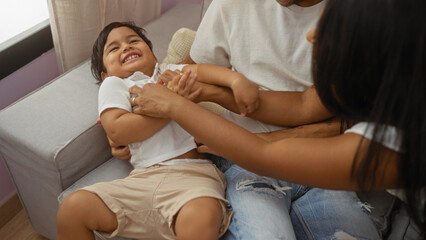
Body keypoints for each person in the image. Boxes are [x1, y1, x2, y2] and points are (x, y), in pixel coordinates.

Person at [128, 0, 426, 238]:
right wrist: (215, 91)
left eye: (331, 29)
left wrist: (176, 108)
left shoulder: (396, 147)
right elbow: (303, 104)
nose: (311, 36)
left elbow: (264, 153)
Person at [56, 21, 270, 240]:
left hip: (195, 175)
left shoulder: (172, 73)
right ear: (105, 75)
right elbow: (119, 131)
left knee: (201, 219)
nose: (126, 47)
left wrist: (236, 79)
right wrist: (173, 104)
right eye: (114, 48)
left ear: (154, 55)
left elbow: (203, 70)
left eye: (133, 41)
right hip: (143, 179)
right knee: (73, 207)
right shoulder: (115, 86)